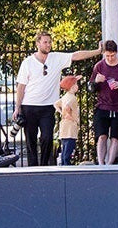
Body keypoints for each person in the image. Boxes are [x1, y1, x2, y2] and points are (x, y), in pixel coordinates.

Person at [15, 31, 102, 167]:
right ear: (38, 43)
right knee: (30, 140)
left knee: (47, 137)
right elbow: (21, 87)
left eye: (50, 42)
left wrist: (98, 51)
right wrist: (17, 107)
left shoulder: (56, 58)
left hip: (48, 107)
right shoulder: (27, 63)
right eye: (45, 42)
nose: (48, 45)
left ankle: (43, 166)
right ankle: (32, 168)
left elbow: (76, 55)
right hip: (29, 106)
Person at [89, 39, 118, 165]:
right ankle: (101, 163)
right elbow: (90, 87)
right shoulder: (99, 66)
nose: (109, 58)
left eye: (112, 55)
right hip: (102, 106)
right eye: (107, 56)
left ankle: (109, 164)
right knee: (101, 136)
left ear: (116, 53)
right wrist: (96, 82)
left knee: (116, 138)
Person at [54, 75, 81, 165]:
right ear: (72, 86)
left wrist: (62, 113)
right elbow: (67, 106)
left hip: (64, 126)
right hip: (71, 125)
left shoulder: (65, 96)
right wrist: (69, 114)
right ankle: (67, 165)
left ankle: (63, 164)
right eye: (76, 84)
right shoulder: (72, 98)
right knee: (69, 147)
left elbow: (56, 104)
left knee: (64, 147)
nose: (77, 86)